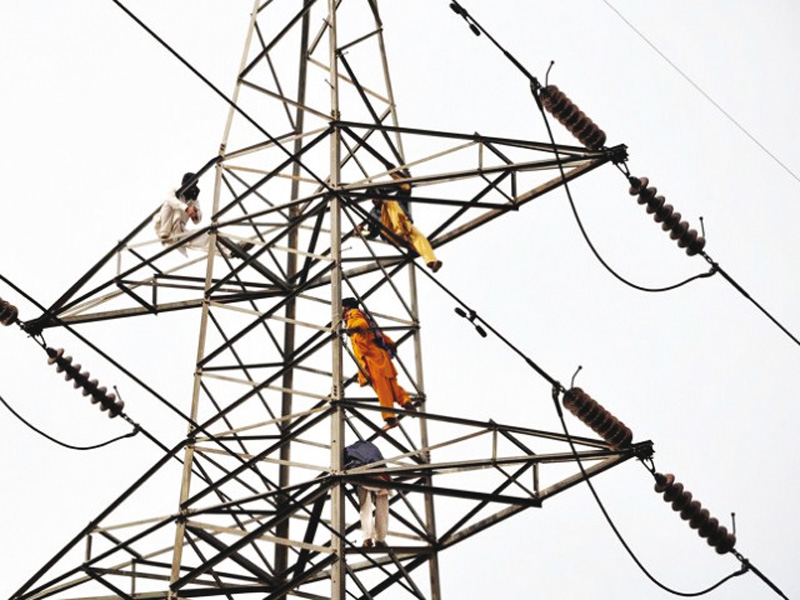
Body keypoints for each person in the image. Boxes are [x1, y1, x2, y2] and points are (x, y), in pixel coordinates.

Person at [341, 297, 416, 429]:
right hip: (381, 355)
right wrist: (389, 343)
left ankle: (389, 417)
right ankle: (405, 400)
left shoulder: (352, 314)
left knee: (381, 386)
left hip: (372, 357)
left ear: (346, 307)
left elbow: (361, 324)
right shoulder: (367, 317)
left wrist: (351, 328)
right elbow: (378, 333)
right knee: (391, 383)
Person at [154, 172, 253, 257]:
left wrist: (195, 214)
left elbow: (198, 220)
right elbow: (169, 199)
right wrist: (186, 208)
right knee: (168, 204)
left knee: (208, 236)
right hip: (164, 226)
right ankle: (165, 233)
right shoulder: (175, 191)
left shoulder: (193, 198)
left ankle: (231, 250)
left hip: (179, 231)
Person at [362, 171, 442, 273]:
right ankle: (399, 229)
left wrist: (393, 172)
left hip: (405, 228)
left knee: (419, 238)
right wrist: (361, 232)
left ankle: (431, 262)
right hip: (391, 232)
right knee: (389, 202)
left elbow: (406, 187)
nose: (373, 200)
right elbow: (371, 233)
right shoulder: (374, 213)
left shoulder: (396, 201)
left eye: (374, 197)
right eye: (372, 198)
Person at [344, 440, 391, 548]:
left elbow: (345, 468)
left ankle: (368, 537)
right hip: (382, 477)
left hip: (363, 476)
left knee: (365, 506)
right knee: (383, 507)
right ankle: (380, 538)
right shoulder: (372, 449)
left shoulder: (349, 451)